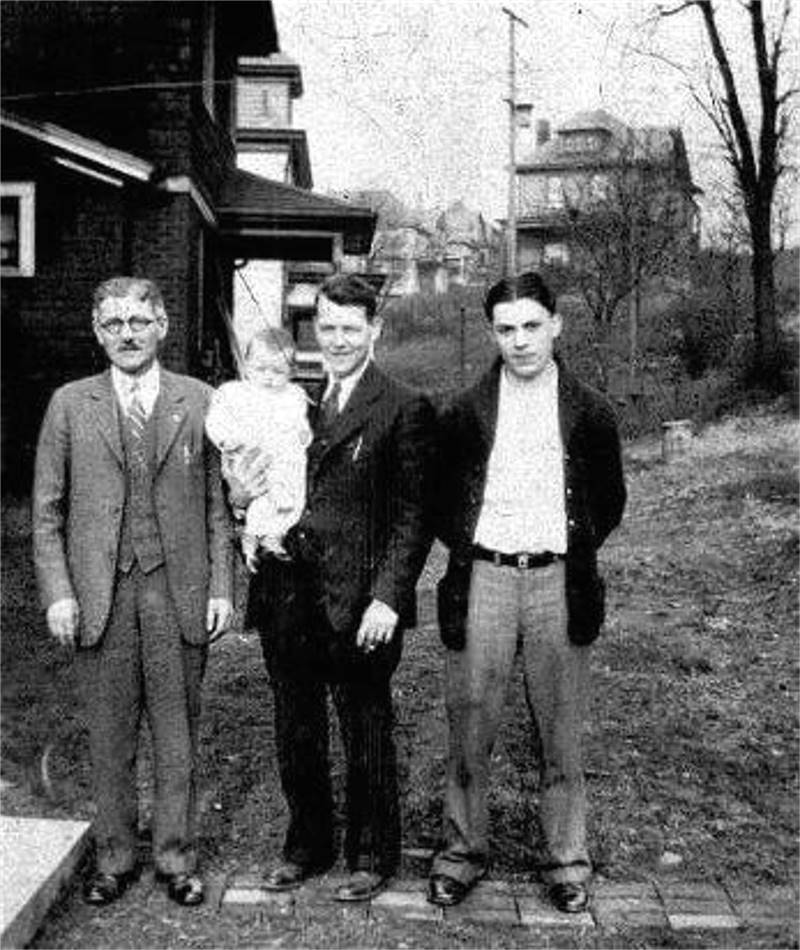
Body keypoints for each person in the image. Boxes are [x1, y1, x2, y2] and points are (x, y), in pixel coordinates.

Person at [427, 271, 626, 914]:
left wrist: (569, 540)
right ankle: (461, 854)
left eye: (532, 326)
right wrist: (473, 541)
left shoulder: (590, 409)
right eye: (507, 329)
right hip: (482, 577)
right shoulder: (464, 409)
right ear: (493, 333)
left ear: (556, 325)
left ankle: (566, 862)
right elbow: (439, 497)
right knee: (470, 726)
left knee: (561, 733)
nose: (520, 341)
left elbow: (609, 499)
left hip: (557, 580)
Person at [32, 276, 235, 908]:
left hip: (177, 590)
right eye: (114, 323)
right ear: (97, 332)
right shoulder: (71, 403)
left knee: (178, 735)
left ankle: (178, 857)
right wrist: (59, 592)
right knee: (110, 735)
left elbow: (219, 506)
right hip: (102, 595)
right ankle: (114, 858)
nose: (127, 334)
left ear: (163, 327)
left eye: (139, 322)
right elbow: (46, 511)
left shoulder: (199, 400)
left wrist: (222, 587)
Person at [242, 273, 435, 902]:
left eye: (352, 328)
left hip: (358, 602)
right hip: (287, 592)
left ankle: (373, 854)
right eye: (328, 327)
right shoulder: (296, 403)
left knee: (365, 726)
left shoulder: (403, 405)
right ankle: (307, 845)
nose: (339, 340)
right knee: (295, 724)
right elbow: (259, 480)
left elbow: (413, 517)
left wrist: (388, 597)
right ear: (313, 330)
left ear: (374, 330)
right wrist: (243, 499)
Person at [205, 328, 311, 570]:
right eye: (260, 369)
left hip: (282, 458)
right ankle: (250, 540)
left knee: (291, 495)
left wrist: (303, 435)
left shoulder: (293, 395)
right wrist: (225, 439)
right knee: (257, 495)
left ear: (292, 372)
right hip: (246, 455)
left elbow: (300, 425)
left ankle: (275, 536)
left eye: (278, 371)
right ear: (246, 366)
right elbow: (216, 420)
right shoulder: (234, 393)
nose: (268, 377)